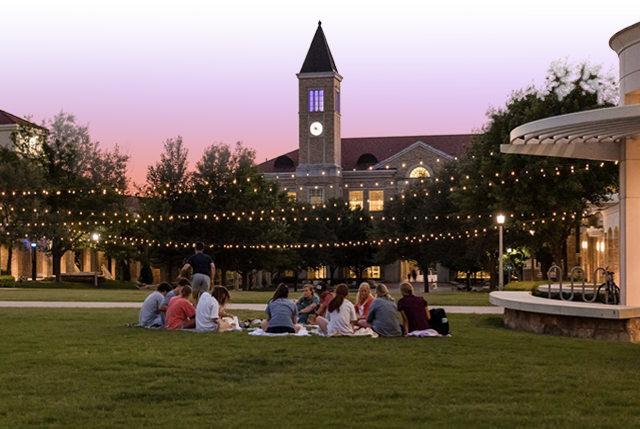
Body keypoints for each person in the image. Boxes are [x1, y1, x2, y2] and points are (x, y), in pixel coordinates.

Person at [181, 242, 215, 306]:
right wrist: (212, 278)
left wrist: (181, 275)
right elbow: (213, 267)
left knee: (194, 296)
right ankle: (202, 309)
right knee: (204, 296)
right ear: (203, 249)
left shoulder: (192, 257)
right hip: (206, 277)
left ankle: (195, 309)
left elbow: (185, 268)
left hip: (196, 276)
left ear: (195, 248)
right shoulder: (208, 257)